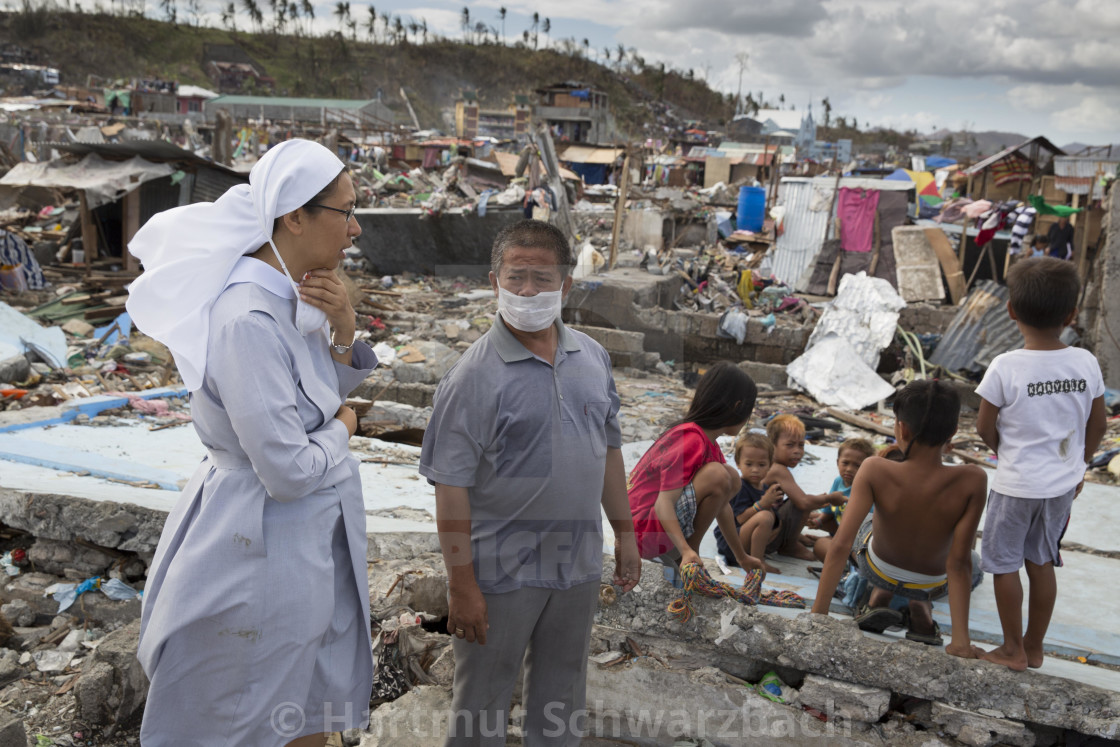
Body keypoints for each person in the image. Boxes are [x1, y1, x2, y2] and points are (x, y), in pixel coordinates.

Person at [129, 139, 377, 746]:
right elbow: (288, 469)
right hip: (261, 545)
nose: (356, 228)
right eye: (345, 212)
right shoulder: (248, 320)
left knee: (304, 697)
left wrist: (344, 333)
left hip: (303, 544)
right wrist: (344, 431)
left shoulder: (294, 296)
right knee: (250, 710)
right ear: (295, 216)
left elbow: (316, 395)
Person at [418, 219, 642, 745]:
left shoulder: (592, 357)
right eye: (515, 277)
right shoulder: (473, 375)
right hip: (499, 572)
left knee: (562, 698)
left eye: (541, 279)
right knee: (481, 705)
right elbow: (450, 486)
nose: (526, 291)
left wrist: (625, 535)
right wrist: (461, 584)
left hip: (577, 564)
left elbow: (608, 452)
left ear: (566, 284)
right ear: (494, 279)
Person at [973, 257, 1107, 670]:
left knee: (1003, 563)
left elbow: (984, 427)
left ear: (1011, 310)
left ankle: (1010, 648)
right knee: (1042, 561)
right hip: (1062, 486)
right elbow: (1097, 424)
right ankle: (1034, 647)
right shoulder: (1085, 362)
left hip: (1016, 485)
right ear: (1070, 315)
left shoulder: (1005, 366)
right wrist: (1080, 465)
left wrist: (1006, 451)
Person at [812, 380, 987, 656]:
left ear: (901, 429)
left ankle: (880, 594)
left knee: (868, 524)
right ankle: (920, 606)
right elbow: (960, 563)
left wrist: (818, 616)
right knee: (974, 560)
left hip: (879, 569)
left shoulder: (874, 468)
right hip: (933, 582)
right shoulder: (973, 479)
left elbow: (840, 545)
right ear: (953, 432)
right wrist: (961, 643)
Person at [627, 362, 765, 578]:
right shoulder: (691, 440)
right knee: (719, 475)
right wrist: (685, 550)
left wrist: (742, 557)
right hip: (640, 533)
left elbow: (723, 507)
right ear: (738, 407)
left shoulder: (708, 444)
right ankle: (686, 554)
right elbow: (664, 503)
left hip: (651, 528)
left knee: (731, 477)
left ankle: (688, 551)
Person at [763, 414, 847, 561]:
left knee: (808, 504)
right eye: (790, 445)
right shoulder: (778, 470)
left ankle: (792, 537)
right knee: (803, 504)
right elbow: (803, 503)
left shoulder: (771, 465)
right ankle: (788, 546)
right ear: (772, 445)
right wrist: (829, 498)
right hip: (763, 541)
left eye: (801, 445)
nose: (797, 451)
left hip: (760, 531)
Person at [715, 432, 785, 574]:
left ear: (770, 465)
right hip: (730, 543)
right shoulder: (739, 487)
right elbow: (739, 519)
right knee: (764, 516)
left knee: (773, 517)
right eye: (749, 464)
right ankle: (757, 563)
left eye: (761, 465)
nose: (755, 469)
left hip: (742, 539)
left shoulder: (764, 488)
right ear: (738, 463)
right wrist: (762, 504)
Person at [810, 438, 876, 561]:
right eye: (845, 463)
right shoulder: (838, 481)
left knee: (820, 545)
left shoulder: (865, 488)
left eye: (857, 465)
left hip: (857, 540)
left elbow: (868, 521)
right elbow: (829, 510)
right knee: (808, 514)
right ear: (837, 462)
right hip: (840, 533)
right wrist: (819, 522)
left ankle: (850, 563)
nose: (849, 469)